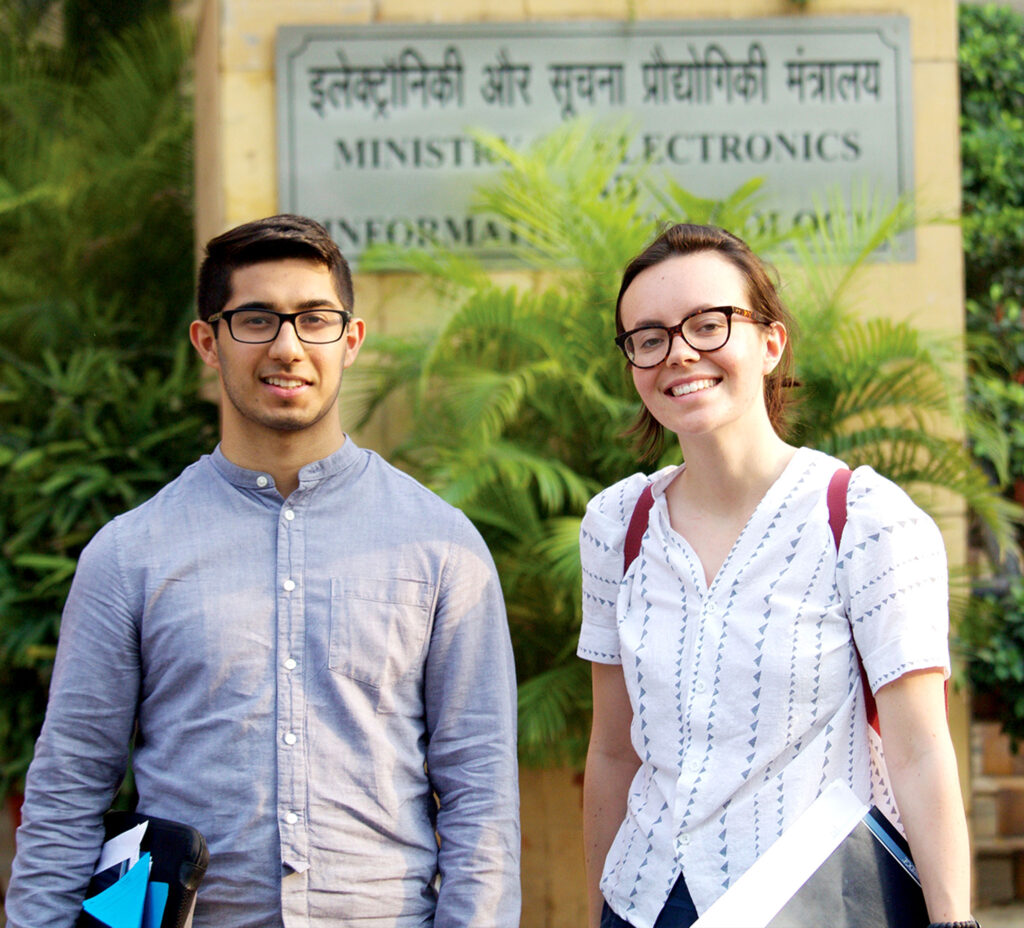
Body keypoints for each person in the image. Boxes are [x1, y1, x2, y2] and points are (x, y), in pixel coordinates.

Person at [6, 214, 521, 928]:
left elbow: (481, 795)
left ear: (351, 340)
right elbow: (67, 791)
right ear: (207, 342)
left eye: (313, 320)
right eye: (255, 319)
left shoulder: (440, 546)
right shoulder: (129, 554)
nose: (287, 347)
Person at [578, 223, 976, 928]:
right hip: (644, 903)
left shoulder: (863, 519)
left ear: (770, 342)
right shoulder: (618, 526)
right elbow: (612, 749)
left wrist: (953, 922)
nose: (679, 354)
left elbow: (920, 752)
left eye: (709, 324)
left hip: (813, 901)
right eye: (649, 337)